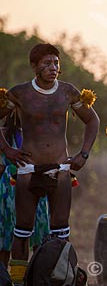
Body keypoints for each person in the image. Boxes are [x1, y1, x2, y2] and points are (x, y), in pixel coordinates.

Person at [0, 43, 100, 286]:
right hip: (28, 169)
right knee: (23, 229)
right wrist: (8, 150)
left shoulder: (68, 92)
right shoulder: (19, 93)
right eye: (46, 63)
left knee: (60, 228)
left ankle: (63, 283)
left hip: (61, 168)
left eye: (55, 63)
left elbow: (93, 120)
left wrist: (84, 154)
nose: (52, 68)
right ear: (34, 66)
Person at [0, 113, 50, 267]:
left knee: (39, 232)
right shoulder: (3, 133)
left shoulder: (39, 134)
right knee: (7, 231)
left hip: (36, 183)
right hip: (9, 187)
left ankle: (35, 277)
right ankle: (5, 280)